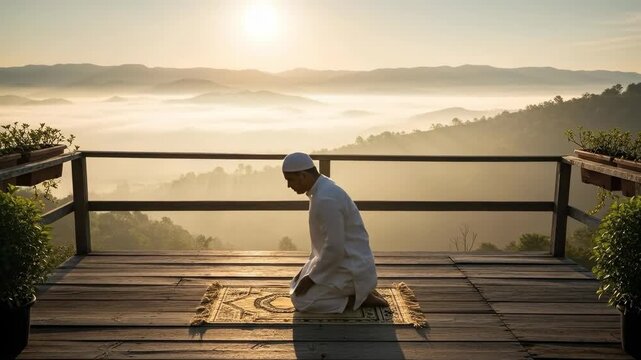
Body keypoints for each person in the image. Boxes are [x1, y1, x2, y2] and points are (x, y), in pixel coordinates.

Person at [282, 152, 388, 313]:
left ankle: (356, 298)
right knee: (295, 284)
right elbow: (327, 245)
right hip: (341, 261)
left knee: (301, 300)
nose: (289, 186)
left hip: (351, 268)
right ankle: (360, 292)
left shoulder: (326, 199)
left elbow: (334, 249)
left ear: (303, 175)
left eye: (290, 180)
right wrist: (308, 272)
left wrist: (311, 279)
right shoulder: (323, 188)